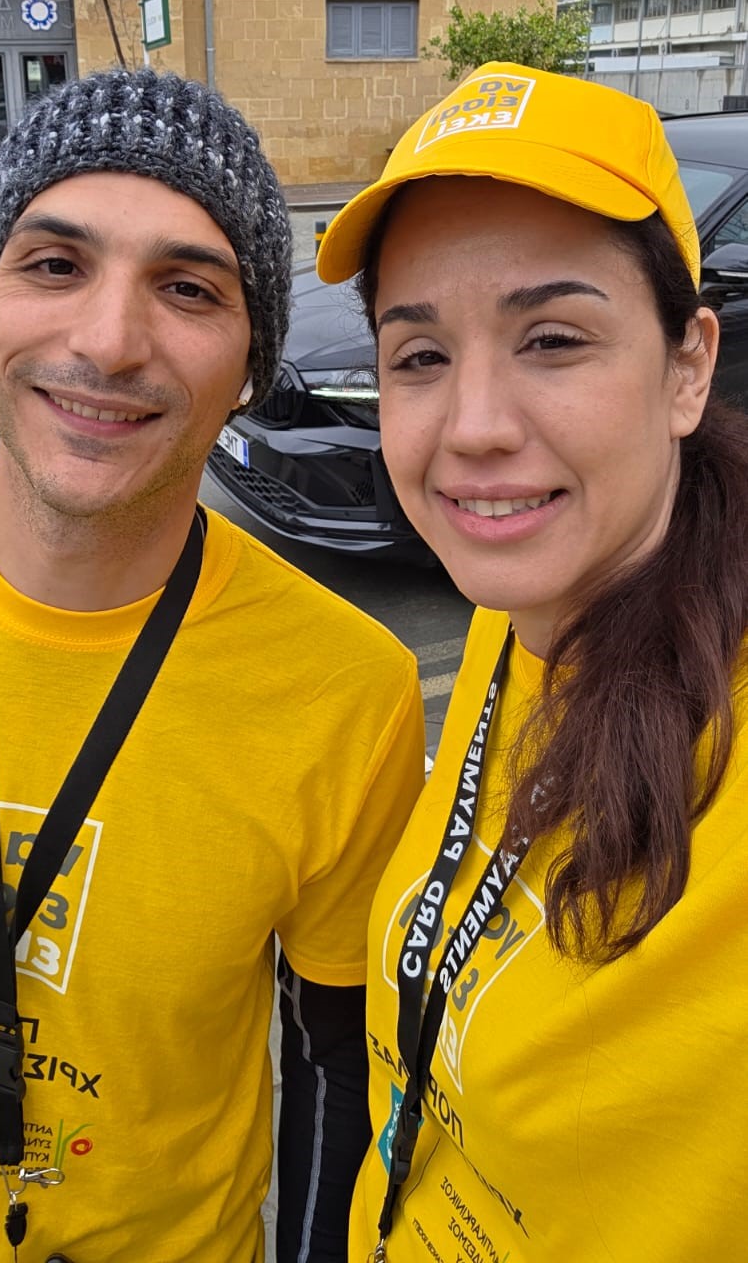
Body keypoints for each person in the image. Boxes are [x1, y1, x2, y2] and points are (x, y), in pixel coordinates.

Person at [0, 67, 424, 1263]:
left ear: (251, 365)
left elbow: (334, 1067)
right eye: (55, 265)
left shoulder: (347, 691)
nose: (108, 342)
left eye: (189, 288)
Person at [316, 62, 748, 1262]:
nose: (475, 426)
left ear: (687, 366)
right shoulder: (513, 620)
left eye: (552, 339)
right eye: (419, 356)